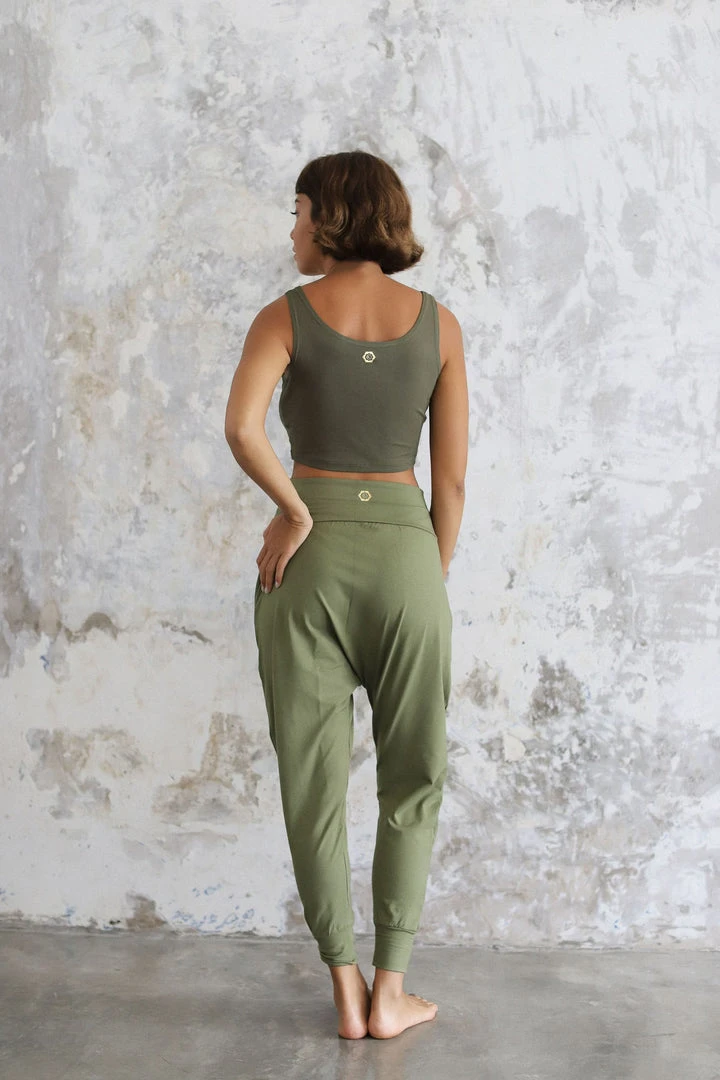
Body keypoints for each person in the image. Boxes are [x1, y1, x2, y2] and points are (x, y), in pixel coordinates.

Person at [224, 150, 468, 1040]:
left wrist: (295, 510)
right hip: (408, 558)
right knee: (414, 777)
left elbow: (241, 428)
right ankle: (392, 990)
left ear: (332, 216)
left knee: (312, 781)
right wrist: (424, 579)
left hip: (307, 560)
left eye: (297, 211)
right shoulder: (440, 326)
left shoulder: (284, 317)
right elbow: (452, 486)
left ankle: (344, 989)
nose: (291, 229)